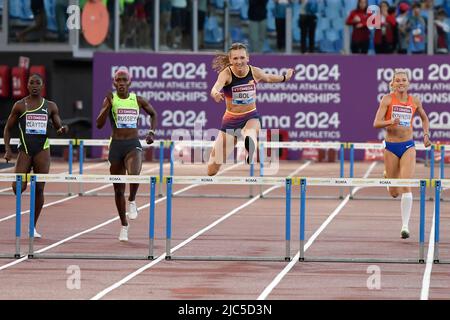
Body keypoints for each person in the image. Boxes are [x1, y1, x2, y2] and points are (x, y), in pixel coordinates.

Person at [208, 42, 294, 176]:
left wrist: (284, 78)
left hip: (250, 116)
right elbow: (216, 87)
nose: (239, 61)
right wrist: (215, 94)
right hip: (230, 121)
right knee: (211, 170)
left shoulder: (254, 72)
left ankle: (250, 150)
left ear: (247, 58)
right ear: (230, 60)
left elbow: (269, 78)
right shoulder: (226, 74)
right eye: (235, 58)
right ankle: (245, 145)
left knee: (250, 132)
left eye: (242, 58)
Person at [3, 74, 68, 238]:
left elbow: (58, 126)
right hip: (25, 149)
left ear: (42, 86)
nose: (34, 85)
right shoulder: (20, 105)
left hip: (42, 150)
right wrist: (8, 150)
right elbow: (7, 129)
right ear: (27, 85)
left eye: (37, 83)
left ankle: (32, 227)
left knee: (39, 189)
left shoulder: (51, 106)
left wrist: (61, 130)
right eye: (31, 83)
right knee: (18, 187)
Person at [96, 69, 157, 242]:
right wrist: (107, 106)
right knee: (117, 190)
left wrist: (151, 132)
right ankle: (124, 225)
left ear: (129, 83)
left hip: (132, 144)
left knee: (134, 174)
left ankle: (132, 200)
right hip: (116, 145)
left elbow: (153, 114)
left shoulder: (137, 100)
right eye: (118, 80)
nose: (121, 82)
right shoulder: (110, 99)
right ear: (114, 83)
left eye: (124, 80)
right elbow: (99, 124)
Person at [373, 69, 431, 239]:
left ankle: (405, 226)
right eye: (397, 80)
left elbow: (424, 118)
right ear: (393, 83)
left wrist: (426, 135)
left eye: (403, 80)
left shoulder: (415, 100)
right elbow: (376, 123)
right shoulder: (387, 99)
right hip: (391, 147)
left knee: (406, 185)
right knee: (394, 193)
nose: (400, 83)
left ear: (408, 83)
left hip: (408, 146)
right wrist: (391, 121)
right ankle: (388, 178)